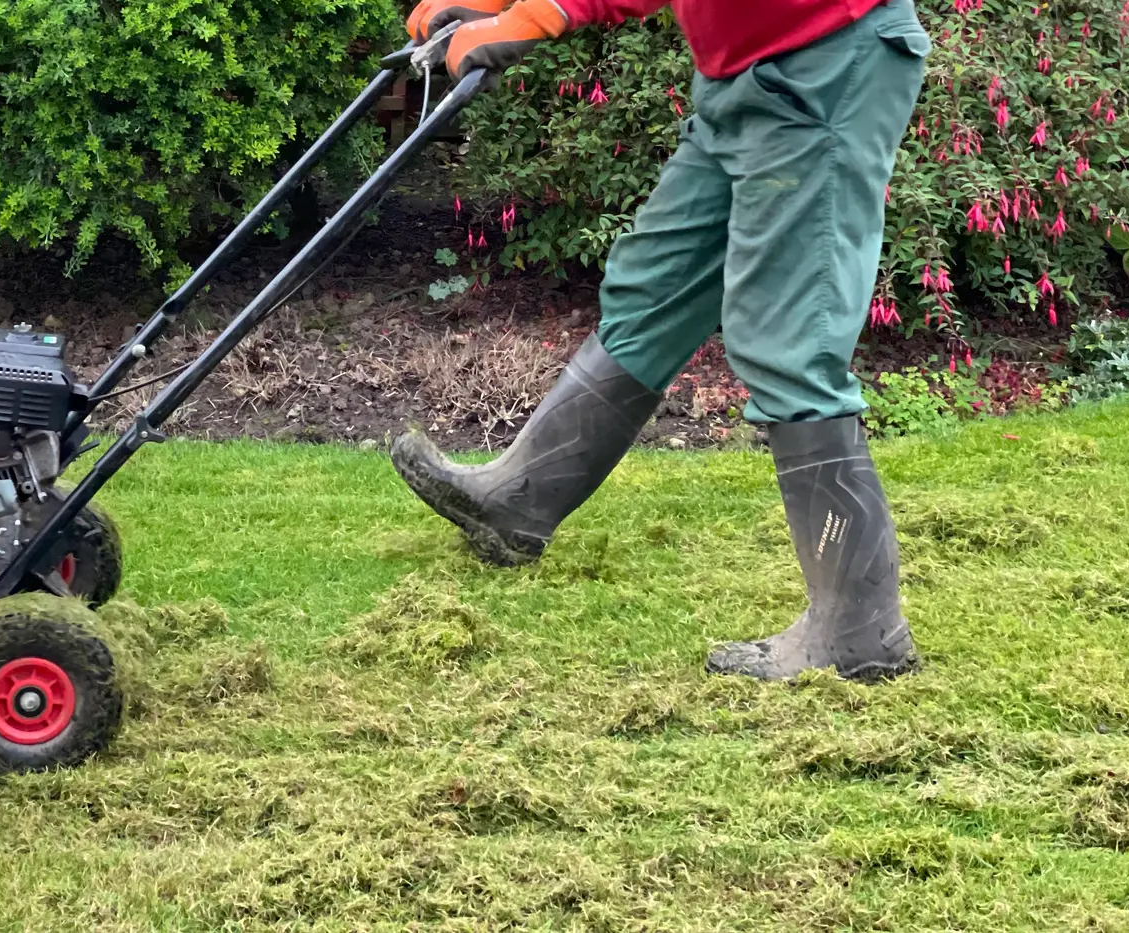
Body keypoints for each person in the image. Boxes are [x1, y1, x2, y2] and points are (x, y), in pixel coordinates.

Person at [393, 0, 930, 681]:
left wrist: (549, 11)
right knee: (654, 288)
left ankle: (860, 632)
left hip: (827, 61)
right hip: (744, 73)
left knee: (791, 336)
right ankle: (519, 501)